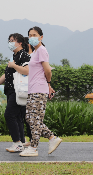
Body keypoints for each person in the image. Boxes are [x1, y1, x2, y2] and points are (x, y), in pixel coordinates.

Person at [20, 26, 63, 157]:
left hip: (39, 90)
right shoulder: (34, 52)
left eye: (34, 35)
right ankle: (52, 138)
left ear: (41, 37)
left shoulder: (42, 50)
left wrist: (48, 84)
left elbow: (48, 70)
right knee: (30, 118)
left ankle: (34, 147)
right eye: (30, 35)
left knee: (35, 119)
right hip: (33, 90)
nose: (32, 37)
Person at [0, 33, 31, 153]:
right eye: (9, 40)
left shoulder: (24, 55)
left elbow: (27, 71)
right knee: (16, 117)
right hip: (11, 90)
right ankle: (21, 142)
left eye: (12, 40)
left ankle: (17, 143)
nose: (10, 43)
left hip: (17, 91)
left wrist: (14, 65)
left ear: (20, 43)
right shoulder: (15, 55)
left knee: (9, 115)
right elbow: (7, 75)